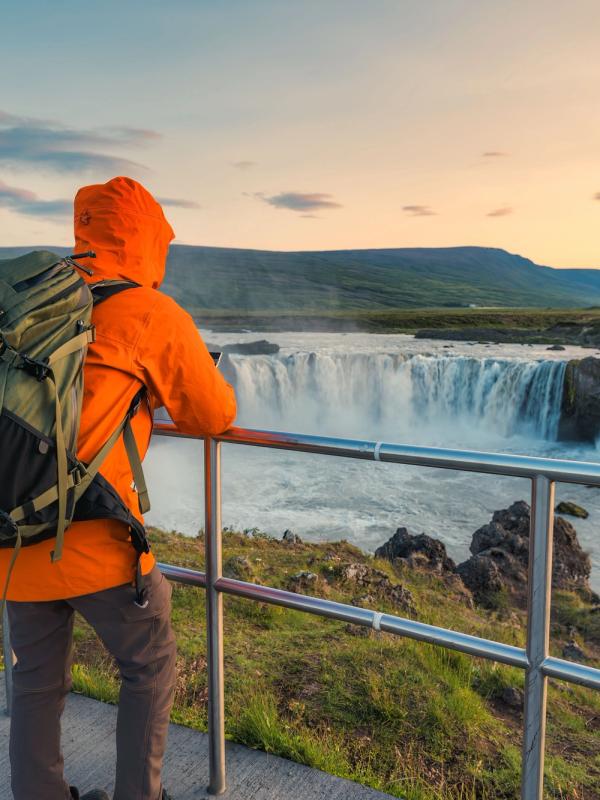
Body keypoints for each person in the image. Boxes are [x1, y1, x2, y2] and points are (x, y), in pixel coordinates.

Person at [0, 176, 237, 800]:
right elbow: (213, 415)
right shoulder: (150, 312)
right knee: (150, 667)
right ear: (146, 239)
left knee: (34, 684)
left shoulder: (30, 306)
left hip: (14, 539)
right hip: (98, 544)